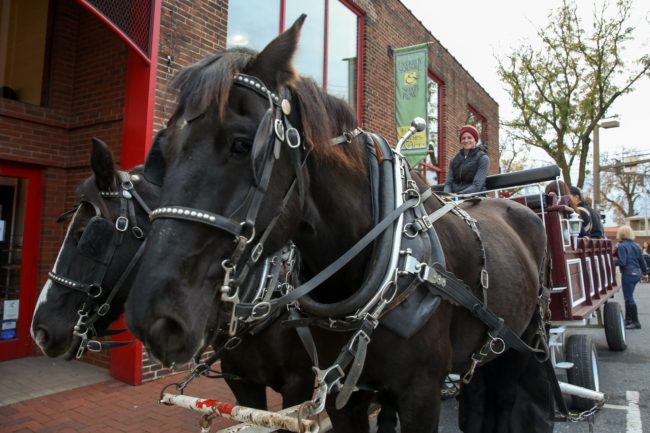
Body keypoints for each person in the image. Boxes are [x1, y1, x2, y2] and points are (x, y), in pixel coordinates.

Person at [615, 226, 648, 329]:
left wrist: (610, 262)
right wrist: (645, 272)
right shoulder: (636, 245)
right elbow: (642, 261)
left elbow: (622, 262)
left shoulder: (621, 246)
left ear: (621, 234)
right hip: (636, 273)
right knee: (629, 297)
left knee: (628, 298)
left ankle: (635, 322)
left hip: (628, 274)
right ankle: (628, 320)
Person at [443, 125, 489, 194]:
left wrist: (457, 196)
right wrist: (446, 195)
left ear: (475, 140)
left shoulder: (483, 158)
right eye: (463, 138)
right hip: (453, 198)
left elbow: (477, 186)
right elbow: (448, 183)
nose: (466, 140)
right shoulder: (454, 160)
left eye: (469, 138)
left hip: (475, 198)